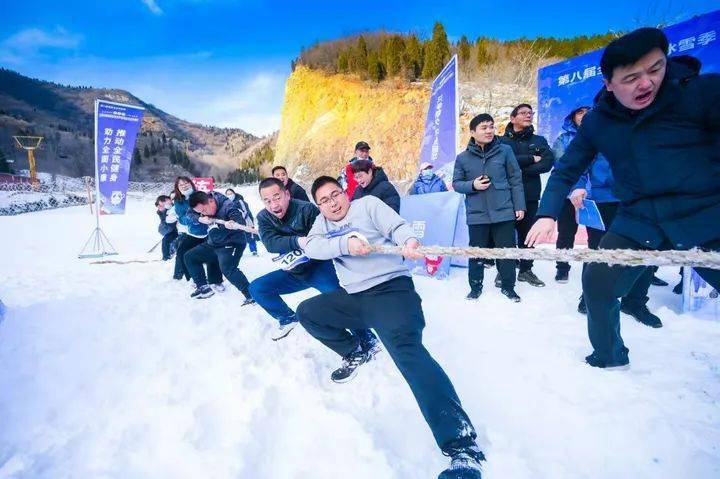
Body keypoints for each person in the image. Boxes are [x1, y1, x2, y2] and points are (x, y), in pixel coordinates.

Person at [526, 28, 720, 369]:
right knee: (597, 282)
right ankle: (608, 355)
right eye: (631, 78)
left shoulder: (703, 93)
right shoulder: (599, 121)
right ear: (609, 83)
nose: (646, 84)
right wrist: (546, 214)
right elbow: (565, 169)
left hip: (707, 210)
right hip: (640, 217)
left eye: (655, 69)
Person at [297, 176, 485, 479]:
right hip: (355, 298)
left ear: (345, 193)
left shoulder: (368, 205)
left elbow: (398, 227)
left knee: (408, 354)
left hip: (391, 291)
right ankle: (356, 349)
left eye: (335, 195)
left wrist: (409, 242)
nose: (332, 203)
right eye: (324, 201)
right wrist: (346, 243)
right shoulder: (323, 224)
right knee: (308, 312)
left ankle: (462, 448)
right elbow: (314, 247)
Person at [249, 177, 380, 352]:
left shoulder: (307, 209)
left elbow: (323, 238)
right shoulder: (263, 217)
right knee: (257, 288)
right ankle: (287, 317)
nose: (274, 205)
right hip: (293, 272)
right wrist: (299, 241)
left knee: (338, 300)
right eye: (267, 201)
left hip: (319, 268)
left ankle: (366, 337)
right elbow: (271, 244)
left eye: (277, 197)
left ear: (287, 194)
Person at [569, 150, 661, 327]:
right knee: (597, 252)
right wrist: (578, 185)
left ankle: (635, 302)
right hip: (603, 200)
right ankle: (590, 297)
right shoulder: (601, 126)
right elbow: (578, 162)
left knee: (645, 250)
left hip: (641, 200)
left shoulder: (648, 126)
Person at [453, 113, 525, 302]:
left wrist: (519, 206)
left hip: (503, 211)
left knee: (507, 252)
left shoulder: (505, 151)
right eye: (484, 127)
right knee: (476, 252)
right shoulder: (462, 158)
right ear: (472, 132)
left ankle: (508, 287)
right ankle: (475, 287)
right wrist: (472, 185)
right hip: (477, 214)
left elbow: (515, 179)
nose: (489, 131)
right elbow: (456, 183)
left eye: (491, 126)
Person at [501, 103, 555, 287]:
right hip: (505, 196)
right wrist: (531, 159)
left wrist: (516, 169)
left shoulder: (539, 140)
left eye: (530, 113)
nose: (528, 115)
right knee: (505, 234)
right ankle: (504, 270)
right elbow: (500, 163)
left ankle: (526, 270)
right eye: (523, 113)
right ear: (512, 118)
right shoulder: (500, 142)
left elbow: (548, 163)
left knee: (528, 234)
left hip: (530, 195)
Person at [184, 190, 255, 305]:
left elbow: (239, 220)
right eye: (201, 212)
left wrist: (232, 223)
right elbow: (189, 213)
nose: (204, 213)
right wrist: (199, 218)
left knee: (227, 268)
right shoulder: (202, 204)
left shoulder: (228, 206)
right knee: (190, 256)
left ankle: (252, 295)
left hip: (233, 242)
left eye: (204, 210)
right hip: (214, 242)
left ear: (211, 201)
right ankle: (203, 288)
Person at [552, 106, 589, 283]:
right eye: (580, 112)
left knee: (598, 236)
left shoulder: (602, 137)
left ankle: (593, 272)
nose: (584, 115)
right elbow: (563, 164)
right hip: (568, 194)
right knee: (566, 232)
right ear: (573, 117)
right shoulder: (563, 139)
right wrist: (576, 186)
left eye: (589, 112)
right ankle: (562, 268)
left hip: (594, 195)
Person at [169, 176, 222, 287]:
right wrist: (192, 220)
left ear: (191, 183)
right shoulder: (178, 202)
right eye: (181, 185)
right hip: (194, 233)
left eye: (186, 183)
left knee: (212, 255)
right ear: (177, 188)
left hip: (208, 230)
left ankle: (216, 281)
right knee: (182, 252)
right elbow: (182, 218)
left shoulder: (201, 194)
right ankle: (194, 277)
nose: (184, 186)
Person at [226, 188, 259, 256]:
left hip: (245, 221)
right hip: (234, 223)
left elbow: (246, 212)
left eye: (231, 194)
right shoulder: (226, 203)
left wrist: (247, 222)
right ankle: (235, 252)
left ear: (234, 194)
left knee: (250, 236)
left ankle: (254, 250)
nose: (229, 195)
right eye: (228, 194)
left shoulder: (240, 201)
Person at [155, 195, 178, 261]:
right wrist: (162, 212)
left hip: (180, 229)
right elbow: (164, 222)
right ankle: (166, 257)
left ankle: (172, 252)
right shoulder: (162, 211)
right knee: (165, 240)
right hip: (171, 229)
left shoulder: (175, 205)